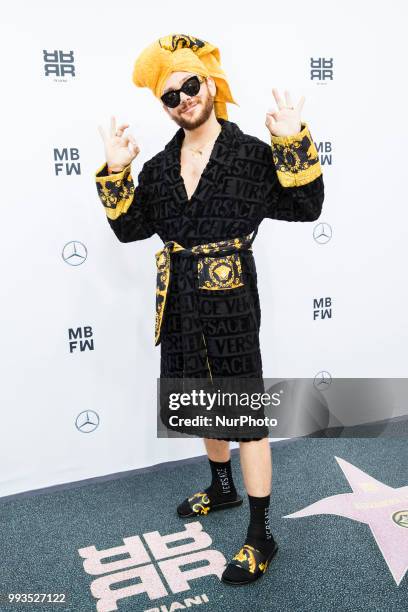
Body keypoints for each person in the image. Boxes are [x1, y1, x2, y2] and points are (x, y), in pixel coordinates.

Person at [94, 33, 324, 586]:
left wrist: (292, 140)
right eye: (170, 97)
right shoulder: (157, 168)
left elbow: (307, 206)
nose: (183, 101)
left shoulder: (250, 155)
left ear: (210, 86)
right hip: (179, 303)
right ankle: (221, 486)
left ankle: (261, 532)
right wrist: (115, 168)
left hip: (232, 303)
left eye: (190, 86)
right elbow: (129, 230)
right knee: (199, 396)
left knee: (244, 417)